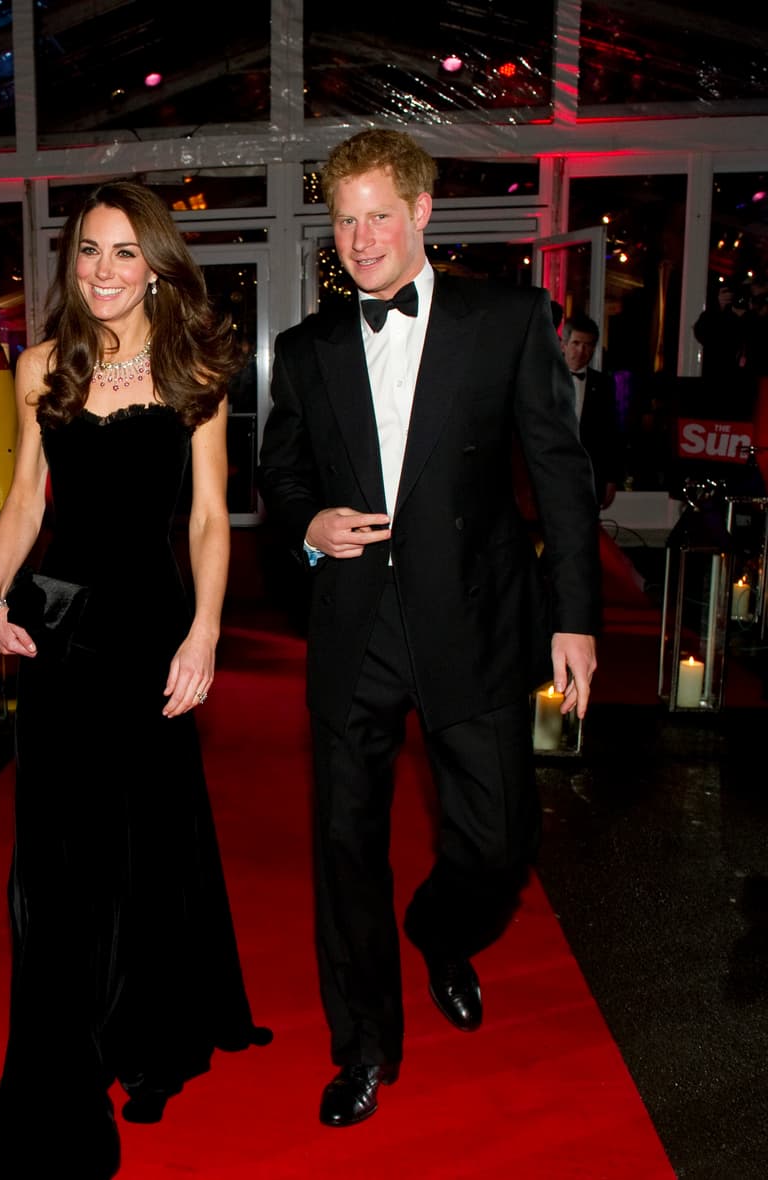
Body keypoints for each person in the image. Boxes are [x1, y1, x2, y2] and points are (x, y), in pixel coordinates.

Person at [258, 129, 600, 1129]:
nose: (361, 239)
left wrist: (573, 619)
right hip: (354, 626)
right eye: (345, 219)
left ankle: (440, 928)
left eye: (378, 214)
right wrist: (306, 524)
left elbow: (559, 477)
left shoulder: (505, 320)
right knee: (343, 846)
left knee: (497, 842)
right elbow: (278, 478)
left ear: (420, 212)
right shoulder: (307, 348)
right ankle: (362, 1043)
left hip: (476, 618)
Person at [0, 180, 269, 1178]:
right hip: (58, 630)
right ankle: (64, 1049)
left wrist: (204, 633)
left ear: (155, 263)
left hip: (149, 629)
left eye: (121, 253)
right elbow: (24, 496)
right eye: (87, 252)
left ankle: (144, 1034)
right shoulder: (36, 367)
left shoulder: (195, 371)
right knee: (61, 850)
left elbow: (204, 517)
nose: (101, 271)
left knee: (146, 833)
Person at [561, 313, 624, 509]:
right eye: (576, 343)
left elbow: (611, 433)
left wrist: (611, 479)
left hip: (589, 478)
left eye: (588, 345)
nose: (581, 350)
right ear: (564, 345)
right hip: (551, 474)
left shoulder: (603, 384)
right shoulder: (544, 380)